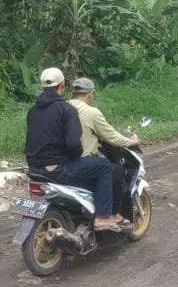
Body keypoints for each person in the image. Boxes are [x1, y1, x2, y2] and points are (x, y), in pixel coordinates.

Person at [24, 68, 131, 232]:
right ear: (62, 85)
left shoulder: (33, 111)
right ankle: (102, 217)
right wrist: (73, 158)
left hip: (35, 170)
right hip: (58, 169)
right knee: (104, 167)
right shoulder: (66, 110)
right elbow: (74, 144)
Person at [67, 77, 140, 216]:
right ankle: (110, 215)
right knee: (117, 171)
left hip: (62, 162)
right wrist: (133, 141)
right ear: (89, 95)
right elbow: (112, 137)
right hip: (82, 163)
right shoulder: (91, 112)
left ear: (72, 94)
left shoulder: (62, 108)